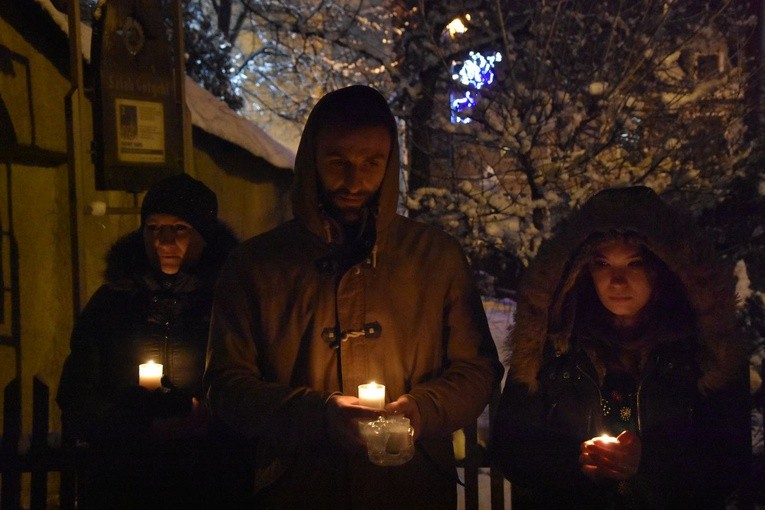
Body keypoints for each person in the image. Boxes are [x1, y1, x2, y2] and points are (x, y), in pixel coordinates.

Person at [203, 85, 503, 509]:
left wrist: (421, 410)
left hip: (410, 488)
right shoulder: (256, 265)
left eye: (371, 163)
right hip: (300, 489)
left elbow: (477, 368)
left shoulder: (435, 258)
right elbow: (226, 386)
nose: (353, 180)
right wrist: (317, 416)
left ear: (389, 163)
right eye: (338, 161)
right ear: (312, 160)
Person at [492, 186, 751, 508]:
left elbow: (729, 461)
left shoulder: (705, 349)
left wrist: (648, 461)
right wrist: (577, 462)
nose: (616, 281)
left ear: (663, 268)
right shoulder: (555, 345)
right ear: (582, 269)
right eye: (602, 264)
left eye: (634, 264)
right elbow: (512, 447)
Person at [57, 173, 241, 509]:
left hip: (209, 480)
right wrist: (141, 427)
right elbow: (77, 395)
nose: (164, 242)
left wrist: (208, 420)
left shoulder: (231, 302)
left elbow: (254, 386)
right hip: (124, 482)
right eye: (154, 229)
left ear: (205, 236)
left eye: (180, 229)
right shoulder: (113, 303)